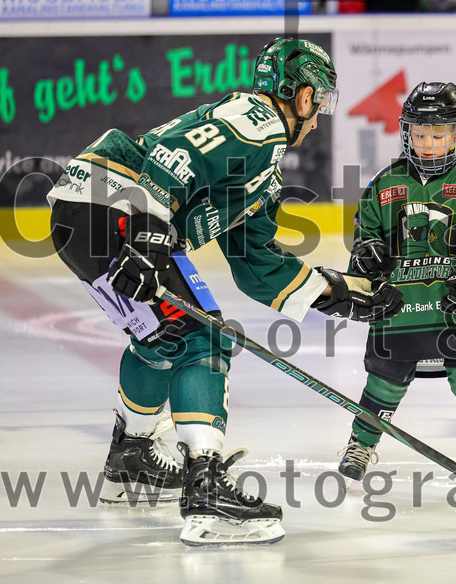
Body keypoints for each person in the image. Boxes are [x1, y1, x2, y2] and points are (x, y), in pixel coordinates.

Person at [45, 37, 403, 546]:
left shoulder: (264, 168)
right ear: (300, 97)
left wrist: (336, 292)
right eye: (318, 101)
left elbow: (257, 266)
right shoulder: (255, 120)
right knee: (204, 339)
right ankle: (205, 486)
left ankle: (131, 460)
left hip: (90, 214)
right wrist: (146, 236)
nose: (320, 116)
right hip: (115, 207)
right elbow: (174, 155)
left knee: (162, 336)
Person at [336, 82, 456, 483]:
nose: (428, 143)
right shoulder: (385, 182)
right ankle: (361, 444)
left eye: (439, 134)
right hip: (399, 304)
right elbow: (365, 239)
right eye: (419, 134)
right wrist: (368, 255)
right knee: (383, 379)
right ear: (405, 132)